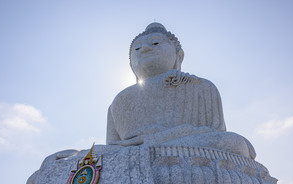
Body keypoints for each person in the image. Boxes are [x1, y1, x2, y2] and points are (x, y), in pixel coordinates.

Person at [106, 23, 256, 159]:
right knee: (91, 156)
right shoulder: (119, 100)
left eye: (156, 43)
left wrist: (158, 138)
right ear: (131, 63)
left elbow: (215, 132)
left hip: (188, 150)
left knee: (233, 142)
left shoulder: (201, 86)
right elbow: (112, 149)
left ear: (179, 55)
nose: (144, 49)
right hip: (133, 156)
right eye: (137, 48)